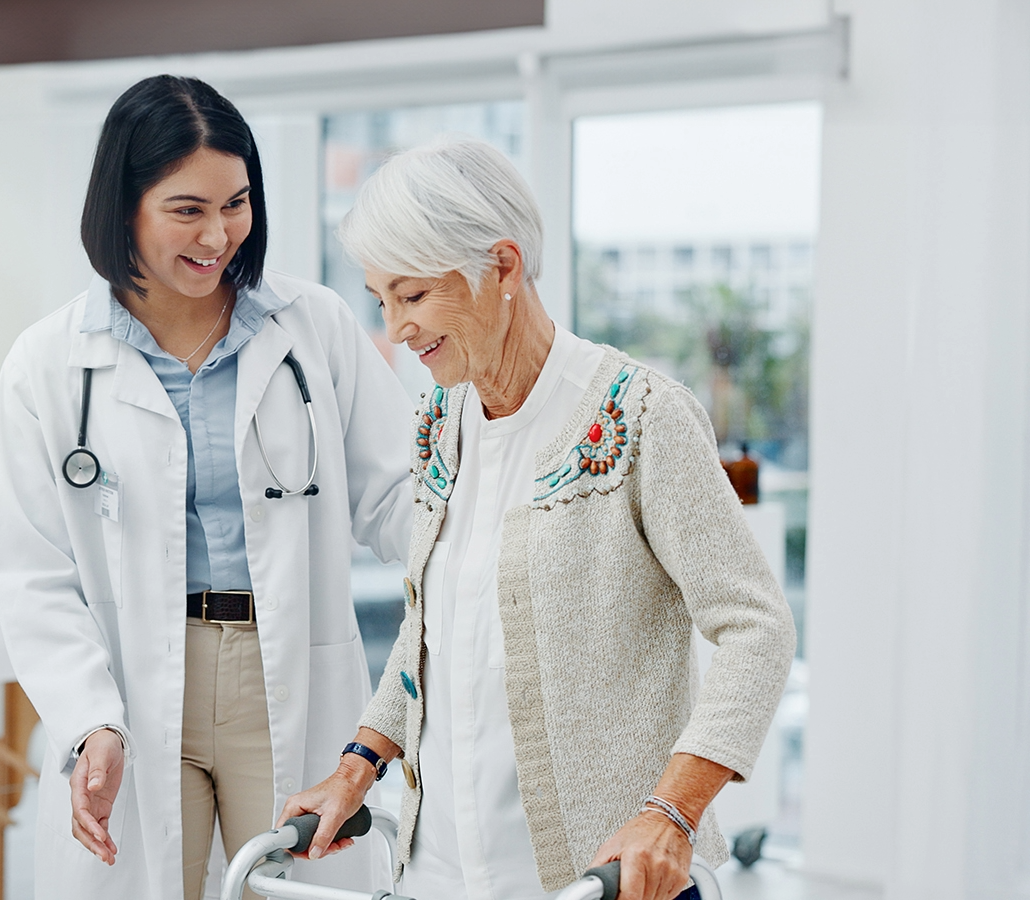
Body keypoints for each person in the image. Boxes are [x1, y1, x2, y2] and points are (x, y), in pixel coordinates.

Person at [280, 137, 796, 900]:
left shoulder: (639, 415)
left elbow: (758, 626)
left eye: (414, 296)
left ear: (503, 267)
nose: (395, 329)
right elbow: (429, 635)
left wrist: (671, 815)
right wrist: (356, 769)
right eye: (381, 300)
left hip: (595, 879)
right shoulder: (436, 424)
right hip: (439, 871)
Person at [0, 75, 415, 900]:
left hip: (287, 666)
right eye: (187, 209)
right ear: (124, 209)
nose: (218, 234)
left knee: (302, 886)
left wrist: (495, 547)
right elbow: (30, 572)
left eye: (237, 203)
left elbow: (399, 497)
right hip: (131, 681)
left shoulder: (313, 327)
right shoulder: (47, 364)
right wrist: (88, 717)